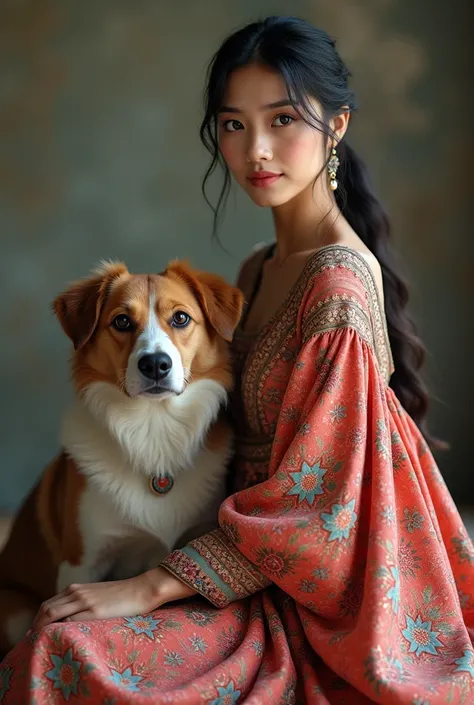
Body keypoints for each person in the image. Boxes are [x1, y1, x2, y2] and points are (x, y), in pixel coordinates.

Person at [1, 15, 473, 705]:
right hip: (226, 547)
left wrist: (149, 585)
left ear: (336, 125)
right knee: (57, 634)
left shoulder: (336, 287)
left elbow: (316, 507)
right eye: (232, 124)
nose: (256, 149)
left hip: (304, 586)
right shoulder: (259, 269)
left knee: (63, 653)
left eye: (283, 119)